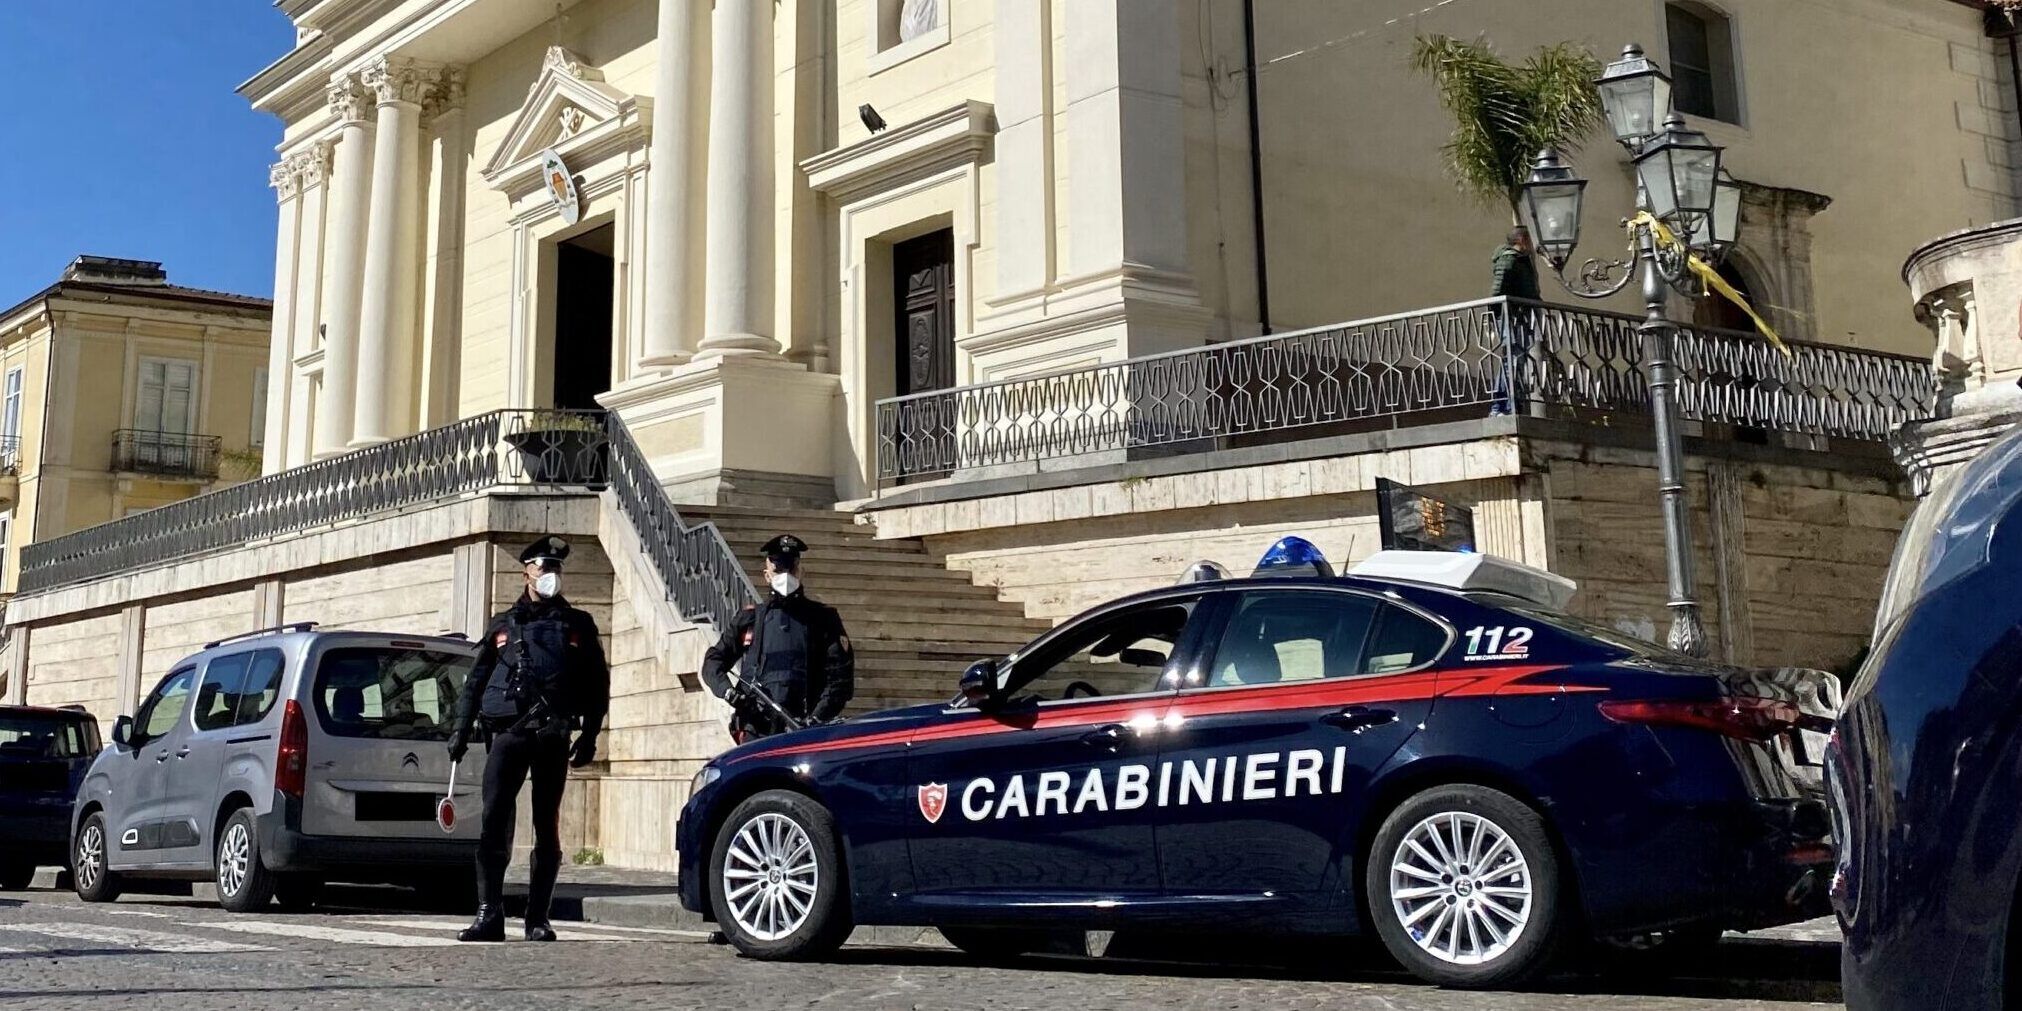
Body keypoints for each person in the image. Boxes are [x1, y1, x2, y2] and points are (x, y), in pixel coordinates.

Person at [446, 535, 610, 942]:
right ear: (527, 573)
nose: (550, 575)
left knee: (547, 825)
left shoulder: (578, 625)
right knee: (493, 822)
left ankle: (538, 918)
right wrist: (459, 732)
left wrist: (590, 735)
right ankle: (489, 915)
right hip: (507, 735)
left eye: (556, 568)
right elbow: (476, 681)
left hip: (552, 736)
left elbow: (596, 686)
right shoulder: (503, 624)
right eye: (543, 568)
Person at [699, 534, 855, 742]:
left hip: (805, 730)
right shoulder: (751, 618)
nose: (786, 576)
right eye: (778, 570)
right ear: (767, 576)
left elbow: (840, 680)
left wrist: (817, 718)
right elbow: (713, 661)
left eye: (791, 569)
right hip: (757, 727)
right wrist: (727, 692)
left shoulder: (823, 619)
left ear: (800, 572)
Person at [1489, 225, 1542, 415]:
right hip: (1510, 316)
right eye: (1528, 239)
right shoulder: (1508, 260)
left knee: (1515, 361)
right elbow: (1497, 291)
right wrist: (1494, 319)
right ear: (1521, 240)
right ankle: (1501, 406)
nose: (1530, 243)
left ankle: (1508, 405)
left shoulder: (1521, 260)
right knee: (1511, 361)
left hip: (1522, 316)